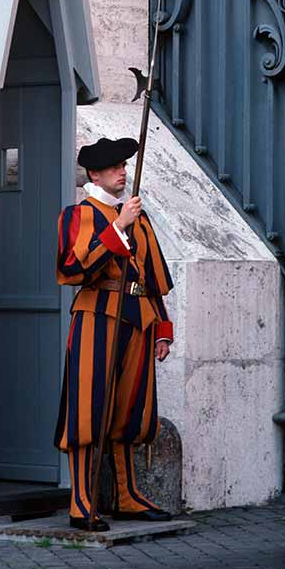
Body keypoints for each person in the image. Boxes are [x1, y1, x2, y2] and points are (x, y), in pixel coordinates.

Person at [54, 136, 174, 531]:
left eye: (124, 165)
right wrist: (118, 226)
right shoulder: (78, 215)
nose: (123, 171)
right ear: (95, 174)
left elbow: (150, 278)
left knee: (130, 411)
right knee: (88, 409)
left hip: (138, 320)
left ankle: (127, 497)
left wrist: (163, 329)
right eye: (114, 167)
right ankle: (81, 502)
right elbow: (72, 269)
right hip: (96, 317)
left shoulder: (137, 214)